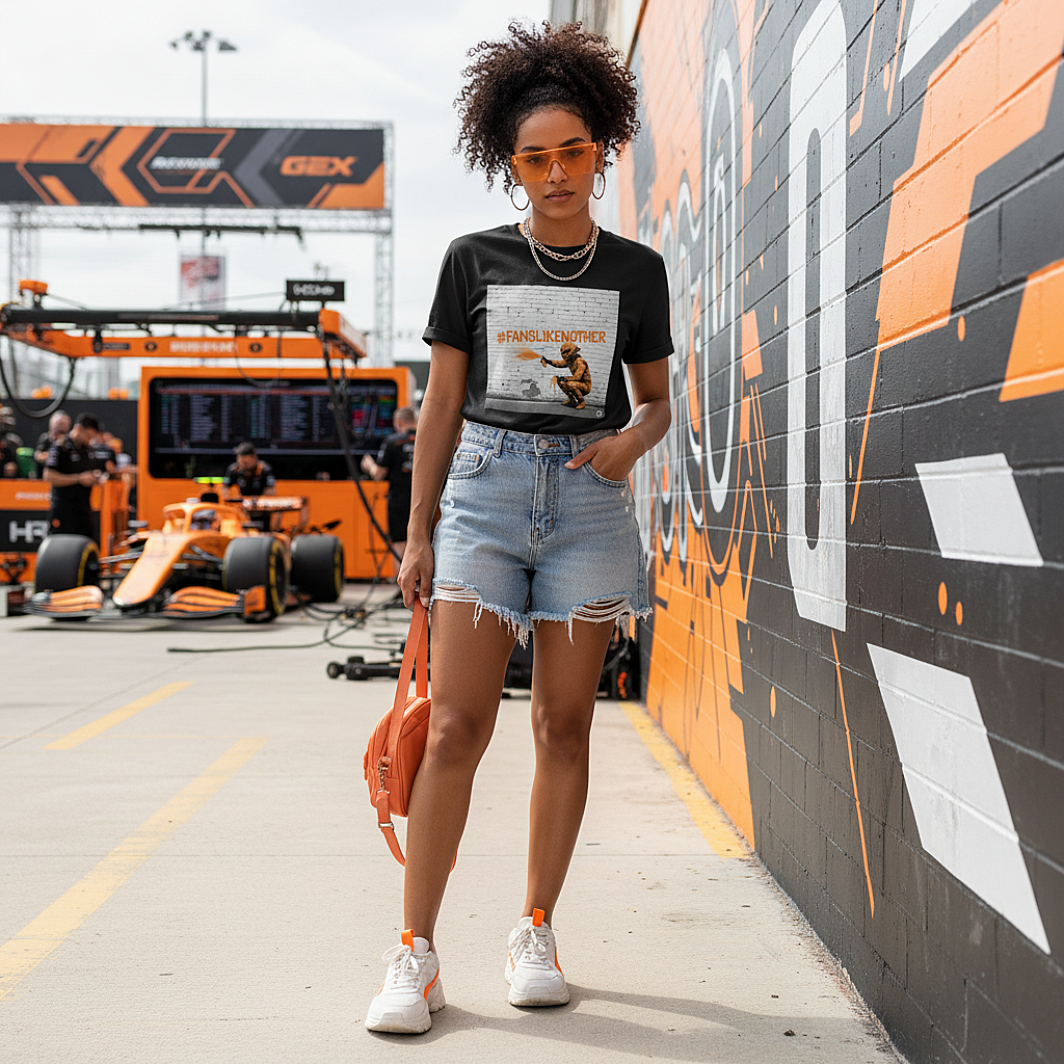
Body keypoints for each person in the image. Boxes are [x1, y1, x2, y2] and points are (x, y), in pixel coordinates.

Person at [364, 21, 672, 1035]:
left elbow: (656, 404)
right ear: (511, 164)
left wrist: (628, 445)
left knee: (562, 725)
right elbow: (441, 406)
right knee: (456, 725)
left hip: (587, 501)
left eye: (572, 152)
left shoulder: (635, 270)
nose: (555, 173)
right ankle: (414, 952)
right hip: (484, 497)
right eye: (535, 158)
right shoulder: (473, 261)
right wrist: (417, 532)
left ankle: (534, 929)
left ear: (600, 151)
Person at [360, 406, 418, 559]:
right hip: (423, 501)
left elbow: (378, 474)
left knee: (399, 544)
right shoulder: (426, 439)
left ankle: (400, 575)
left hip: (399, 501)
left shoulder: (393, 441)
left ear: (399, 422)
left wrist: (369, 465)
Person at [43, 412, 102, 539]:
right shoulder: (61, 446)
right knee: (61, 544)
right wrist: (78, 479)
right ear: (79, 429)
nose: (89, 440)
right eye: (88, 436)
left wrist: (95, 477)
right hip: (64, 509)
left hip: (84, 510)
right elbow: (48, 475)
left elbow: (90, 472)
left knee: (87, 544)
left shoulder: (87, 450)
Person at [34, 410, 71, 477]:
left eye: (63, 424)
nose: (60, 426)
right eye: (59, 423)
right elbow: (38, 455)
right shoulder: (46, 438)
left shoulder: (69, 441)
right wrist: (52, 456)